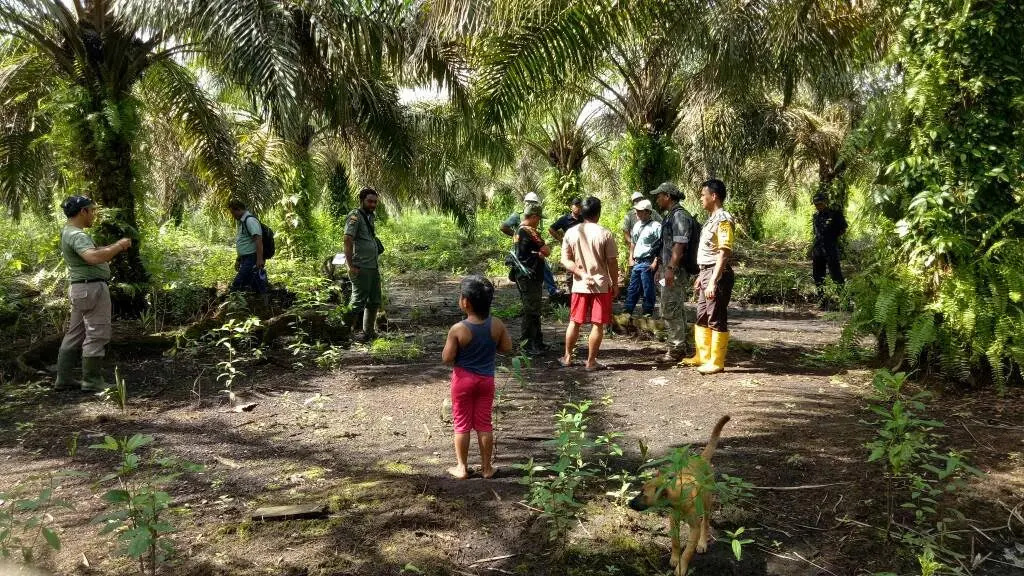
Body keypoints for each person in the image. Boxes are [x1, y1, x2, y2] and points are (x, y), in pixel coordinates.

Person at [54, 196, 132, 391]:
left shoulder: (69, 232)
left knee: (74, 333)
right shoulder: (77, 235)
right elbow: (92, 256)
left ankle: (63, 379)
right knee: (97, 333)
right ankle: (91, 380)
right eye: (92, 211)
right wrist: (119, 246)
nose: (94, 215)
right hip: (91, 289)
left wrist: (109, 248)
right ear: (83, 212)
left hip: (81, 290)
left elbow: (93, 251)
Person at [441, 276, 513, 480]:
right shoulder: (496, 325)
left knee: (462, 424)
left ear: (466, 302)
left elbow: (447, 358)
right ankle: (487, 468)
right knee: (484, 423)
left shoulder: (458, 329)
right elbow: (507, 348)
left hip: (463, 381)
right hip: (486, 381)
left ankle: (462, 467)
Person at [559, 196, 619, 371]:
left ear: (581, 213)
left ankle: (567, 357)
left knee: (574, 322)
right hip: (601, 285)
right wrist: (615, 283)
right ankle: (591, 362)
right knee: (597, 324)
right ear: (598, 213)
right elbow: (612, 262)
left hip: (579, 285)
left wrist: (581, 274)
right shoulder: (605, 233)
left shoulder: (571, 233)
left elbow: (565, 260)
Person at [684, 179, 735, 375]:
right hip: (706, 271)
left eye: (703, 194)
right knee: (702, 315)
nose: (701, 198)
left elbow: (723, 251)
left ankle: (716, 361)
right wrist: (702, 275)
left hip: (717, 272)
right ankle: (702, 356)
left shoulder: (723, 219)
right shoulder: (711, 219)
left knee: (716, 316)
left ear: (714, 196)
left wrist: (713, 279)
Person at [652, 182, 694, 363]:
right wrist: (660, 267)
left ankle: (676, 349)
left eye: (659, 195)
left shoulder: (679, 216)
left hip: (674, 271)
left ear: (668, 196)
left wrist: (670, 269)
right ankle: (681, 346)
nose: (657, 199)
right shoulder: (671, 216)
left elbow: (679, 245)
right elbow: (667, 247)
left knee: (671, 308)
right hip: (668, 269)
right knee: (675, 307)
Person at [501, 192, 561, 297]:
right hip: (523, 248)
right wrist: (517, 235)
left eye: (533, 202)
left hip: (535, 247)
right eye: (529, 202)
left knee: (542, 266)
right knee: (523, 268)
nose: (531, 204)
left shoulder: (536, 214)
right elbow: (503, 227)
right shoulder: (518, 214)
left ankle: (551, 290)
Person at [345, 187, 384, 343]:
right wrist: (350, 266)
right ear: (361, 200)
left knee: (374, 300)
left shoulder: (370, 216)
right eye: (370, 201)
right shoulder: (355, 216)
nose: (373, 204)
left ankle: (368, 332)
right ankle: (343, 332)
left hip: (372, 265)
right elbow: (347, 239)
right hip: (361, 266)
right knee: (357, 301)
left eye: (375, 202)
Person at [514, 203, 551, 354]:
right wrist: (542, 252)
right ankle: (527, 345)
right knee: (531, 310)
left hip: (525, 275)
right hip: (530, 275)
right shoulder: (529, 231)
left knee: (533, 308)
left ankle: (536, 342)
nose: (539, 221)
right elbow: (546, 250)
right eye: (538, 218)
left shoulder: (518, 230)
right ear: (534, 217)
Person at [624, 199, 661, 316]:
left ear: (647, 212)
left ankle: (647, 311)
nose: (636, 213)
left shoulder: (656, 226)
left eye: (639, 211)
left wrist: (656, 262)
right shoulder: (636, 225)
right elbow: (633, 243)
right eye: (636, 211)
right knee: (633, 287)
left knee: (647, 287)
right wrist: (631, 257)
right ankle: (628, 310)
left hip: (648, 261)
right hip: (637, 261)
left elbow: (661, 245)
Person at [811, 192, 848, 308]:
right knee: (818, 275)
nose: (818, 206)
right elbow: (815, 233)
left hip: (830, 248)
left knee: (836, 275)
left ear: (825, 202)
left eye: (820, 203)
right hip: (818, 250)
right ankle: (822, 301)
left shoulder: (835, 214)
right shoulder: (816, 216)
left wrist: (832, 237)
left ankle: (845, 301)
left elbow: (843, 228)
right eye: (816, 204)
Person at [228, 200, 268, 293]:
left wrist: (259, 259)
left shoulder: (250, 220)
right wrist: (238, 259)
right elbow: (245, 242)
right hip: (246, 258)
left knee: (238, 283)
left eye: (233, 213)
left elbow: (258, 240)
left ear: (238, 209)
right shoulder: (242, 222)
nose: (232, 216)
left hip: (252, 258)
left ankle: (233, 302)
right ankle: (261, 302)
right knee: (252, 283)